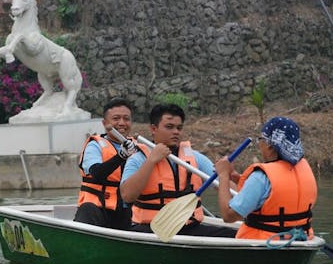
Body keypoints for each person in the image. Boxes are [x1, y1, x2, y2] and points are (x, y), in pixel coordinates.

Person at [120, 103, 236, 237]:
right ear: (153, 129)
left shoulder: (195, 158)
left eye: (179, 128)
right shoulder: (138, 158)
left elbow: (223, 186)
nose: (176, 132)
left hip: (189, 227)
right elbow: (127, 196)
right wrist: (151, 161)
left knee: (236, 234)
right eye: (169, 127)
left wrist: (227, 177)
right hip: (151, 229)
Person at [215, 116, 317, 240]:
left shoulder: (260, 178)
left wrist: (223, 175)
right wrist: (237, 178)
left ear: (269, 145)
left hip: (264, 243)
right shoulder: (304, 169)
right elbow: (272, 192)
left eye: (261, 139)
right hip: (299, 238)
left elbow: (228, 215)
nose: (260, 145)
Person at [74, 98, 137, 229]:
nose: (122, 123)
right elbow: (97, 173)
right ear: (105, 123)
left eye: (126, 119)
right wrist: (121, 156)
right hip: (100, 209)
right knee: (88, 209)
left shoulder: (139, 147)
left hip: (127, 211)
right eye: (116, 119)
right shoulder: (95, 146)